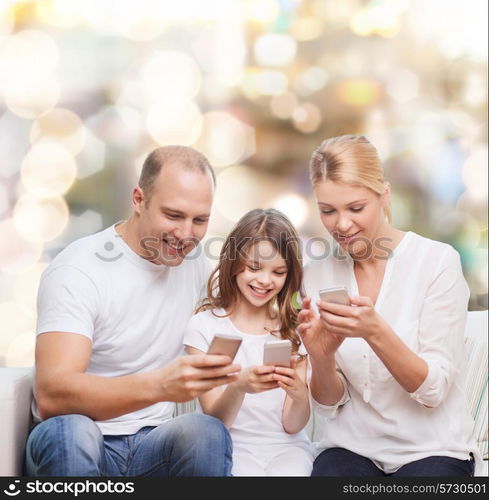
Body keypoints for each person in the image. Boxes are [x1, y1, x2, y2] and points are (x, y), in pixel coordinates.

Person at [25, 145, 241, 477]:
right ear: (139, 200)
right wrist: (160, 386)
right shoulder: (79, 269)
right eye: (173, 215)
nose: (186, 234)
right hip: (83, 438)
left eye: (199, 220)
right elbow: (53, 394)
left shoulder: (194, 263)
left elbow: (243, 312)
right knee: (70, 432)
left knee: (205, 433)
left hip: (153, 443)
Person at [298, 134, 482, 477]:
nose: (341, 224)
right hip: (351, 448)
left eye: (355, 208)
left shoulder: (437, 262)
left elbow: (434, 390)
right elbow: (328, 403)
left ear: (384, 195)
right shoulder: (317, 275)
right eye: (328, 210)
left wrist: (374, 330)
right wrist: (321, 356)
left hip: (433, 449)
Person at [184, 209, 314, 476]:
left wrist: (300, 394)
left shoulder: (295, 331)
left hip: (288, 449)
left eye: (278, 272)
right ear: (233, 263)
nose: (265, 280)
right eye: (254, 267)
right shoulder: (204, 327)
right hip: (230, 449)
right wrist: (239, 387)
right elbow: (215, 423)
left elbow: (292, 425)